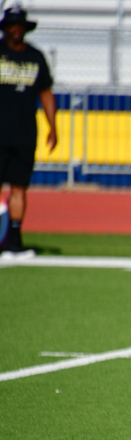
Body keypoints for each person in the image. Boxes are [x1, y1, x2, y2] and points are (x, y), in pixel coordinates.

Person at [0, 5, 56, 259]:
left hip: (24, 133)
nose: (16, 29)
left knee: (20, 187)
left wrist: (53, 127)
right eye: (12, 25)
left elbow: (46, 93)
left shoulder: (35, 57)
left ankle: (14, 240)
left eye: (20, 25)